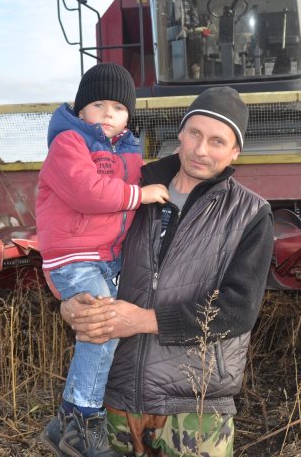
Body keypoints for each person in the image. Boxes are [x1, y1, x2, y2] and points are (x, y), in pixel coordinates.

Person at [62, 86, 274, 456]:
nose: (201, 149)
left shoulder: (251, 214)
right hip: (115, 396)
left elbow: (239, 310)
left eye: (217, 141)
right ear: (180, 132)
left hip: (196, 409)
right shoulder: (128, 191)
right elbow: (81, 256)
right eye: (194, 133)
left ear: (235, 151)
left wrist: (143, 320)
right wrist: (68, 304)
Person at [37, 62, 169, 457]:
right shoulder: (68, 144)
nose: (109, 113)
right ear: (80, 112)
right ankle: (81, 422)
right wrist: (139, 196)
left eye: (118, 107)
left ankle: (62, 425)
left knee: (107, 329)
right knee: (103, 328)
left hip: (104, 259)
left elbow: (141, 191)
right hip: (74, 257)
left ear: (129, 115)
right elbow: (87, 192)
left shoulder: (129, 152)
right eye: (98, 105)